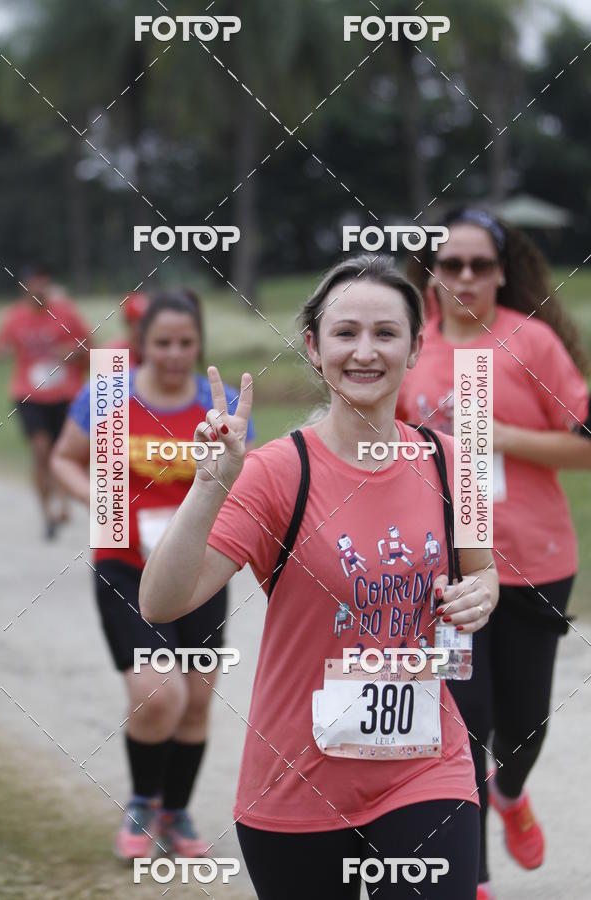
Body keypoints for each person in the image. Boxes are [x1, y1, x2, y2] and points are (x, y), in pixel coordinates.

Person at [139, 255, 500, 900]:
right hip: (297, 781)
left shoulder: (452, 462)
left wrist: (484, 592)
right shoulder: (278, 473)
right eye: (345, 333)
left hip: (427, 768)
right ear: (313, 346)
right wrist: (210, 487)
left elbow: (483, 575)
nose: (366, 351)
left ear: (416, 347)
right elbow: (162, 603)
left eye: (387, 333)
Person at [400, 208, 591, 900]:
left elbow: (585, 444)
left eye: (482, 265)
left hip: (537, 563)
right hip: (448, 577)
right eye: (452, 265)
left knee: (524, 722)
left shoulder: (532, 343)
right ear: (432, 273)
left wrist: (501, 438)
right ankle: (470, 879)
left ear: (503, 271)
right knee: (459, 726)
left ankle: (510, 793)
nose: (467, 278)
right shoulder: (406, 348)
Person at [51, 289, 256, 861]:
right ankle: (143, 802)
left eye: (185, 343)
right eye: (162, 342)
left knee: (194, 699)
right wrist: (103, 501)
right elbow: (66, 460)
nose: (173, 354)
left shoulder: (223, 405)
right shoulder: (110, 393)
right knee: (156, 692)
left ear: (199, 345)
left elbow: (246, 487)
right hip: (124, 564)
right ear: (141, 344)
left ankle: (177, 810)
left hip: (201, 568)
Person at [0, 264, 91, 538]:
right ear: (23, 288)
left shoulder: (66, 313)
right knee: (40, 449)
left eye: (42, 285)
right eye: (32, 285)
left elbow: (90, 346)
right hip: (29, 393)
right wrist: (1, 348)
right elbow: (1, 348)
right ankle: (46, 510)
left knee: (64, 450)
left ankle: (62, 503)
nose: (37, 290)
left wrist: (74, 352)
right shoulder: (14, 317)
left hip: (66, 393)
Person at [103, 291, 150, 366]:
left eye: (146, 322)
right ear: (127, 323)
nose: (141, 328)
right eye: (135, 322)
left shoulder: (161, 354)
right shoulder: (111, 352)